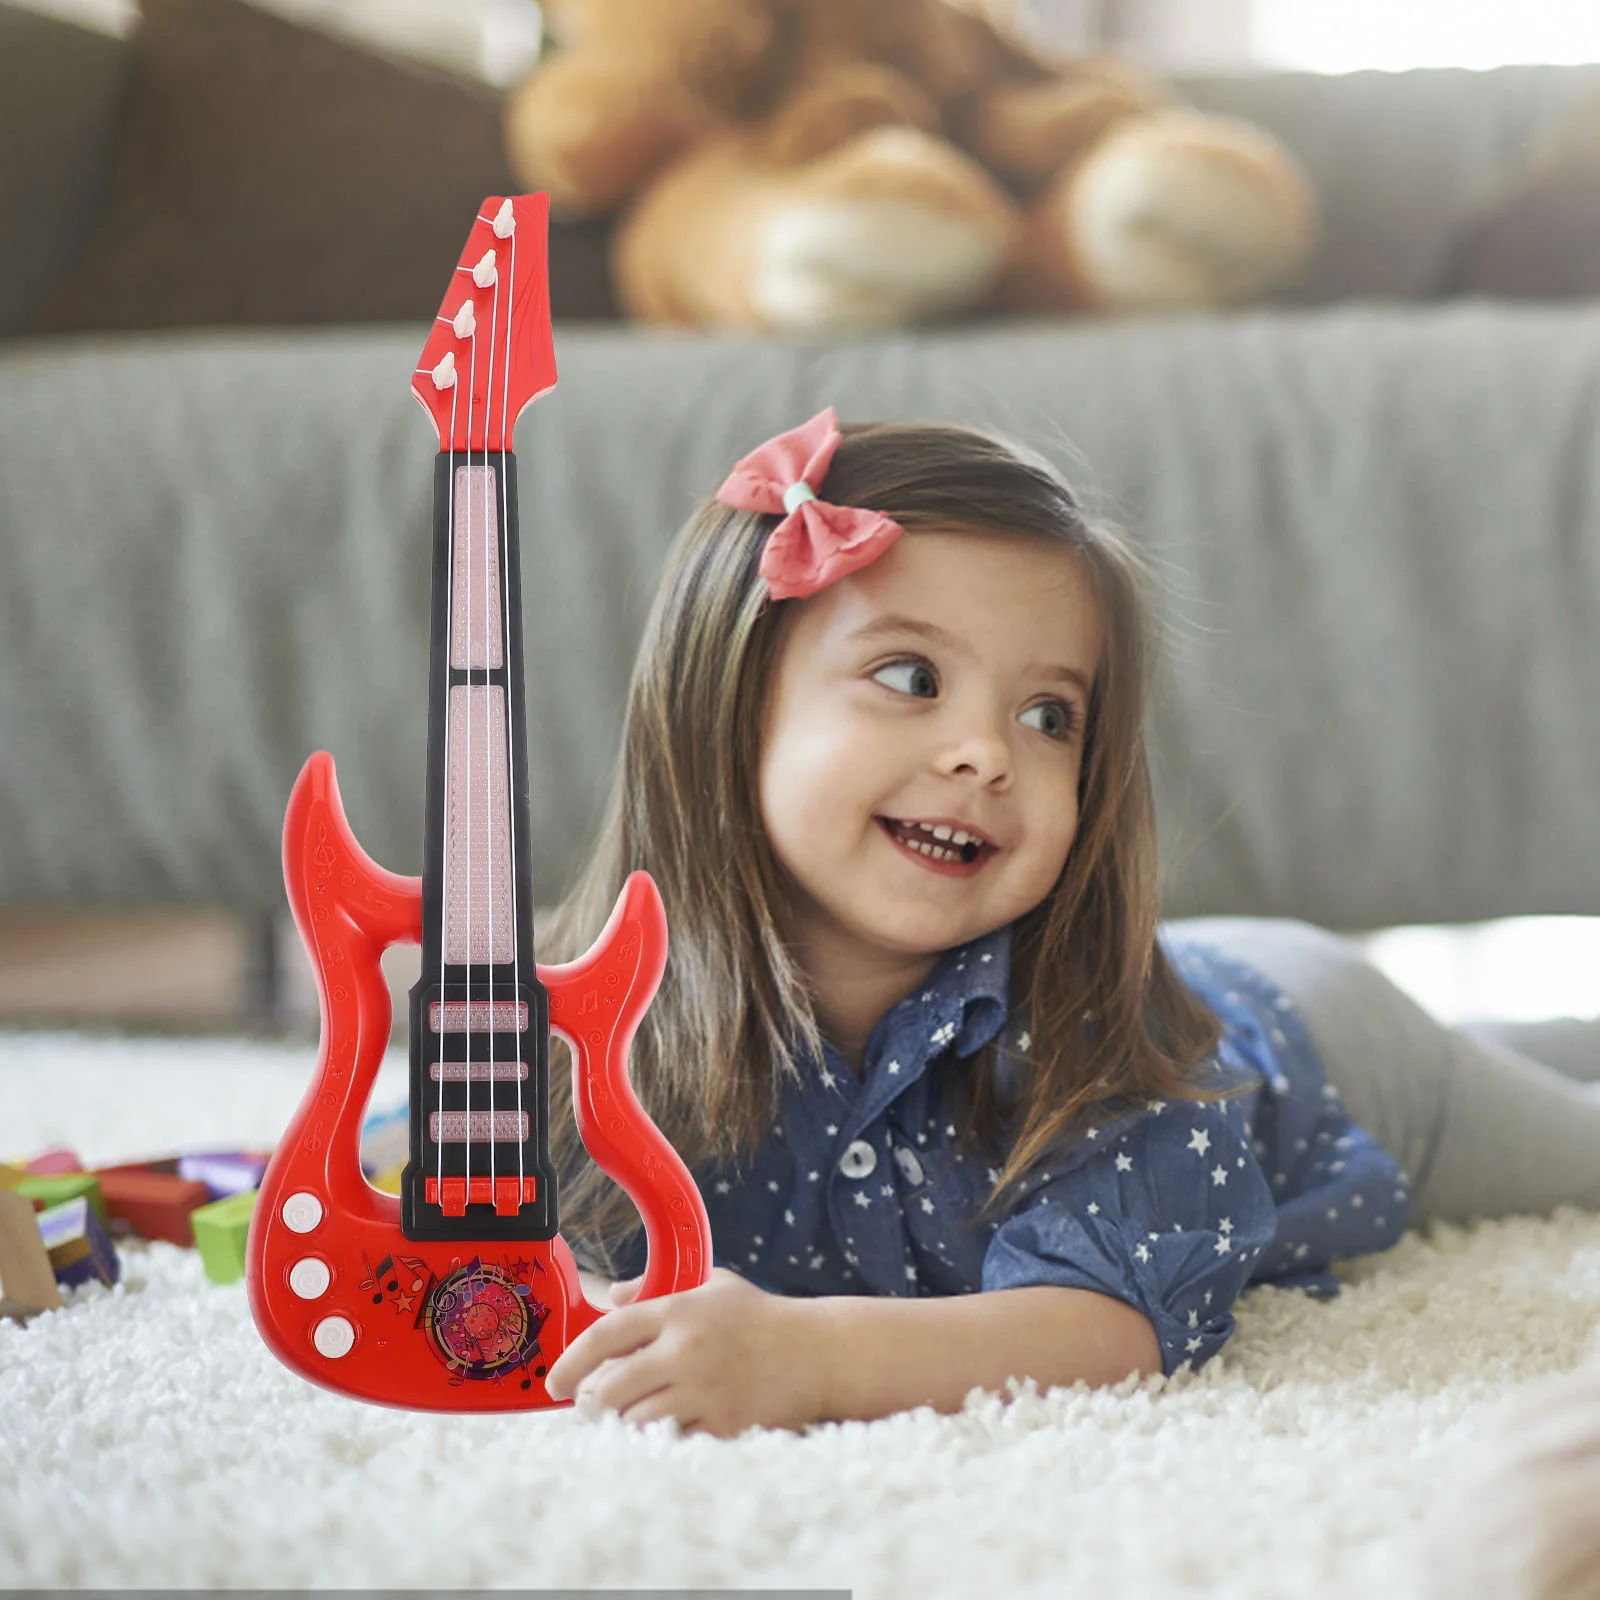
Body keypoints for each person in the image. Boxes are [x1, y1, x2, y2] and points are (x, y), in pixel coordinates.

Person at [537, 409, 1600, 1438]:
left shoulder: (1094, 1041)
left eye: (1049, 716)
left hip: (1334, 1043)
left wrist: (808, 1356)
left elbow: (1103, 1323)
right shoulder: (579, 1030)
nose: (987, 754)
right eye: (911, 677)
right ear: (720, 703)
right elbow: (428, 1189)